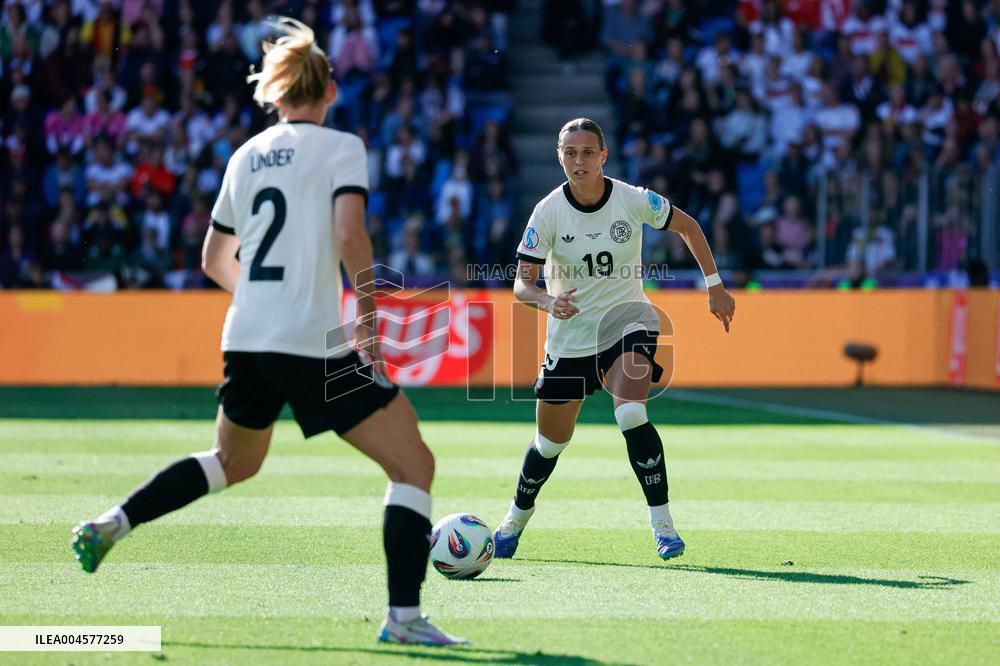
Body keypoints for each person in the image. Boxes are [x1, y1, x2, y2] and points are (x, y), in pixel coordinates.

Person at [70, 18, 465, 647]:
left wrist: (262, 297)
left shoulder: (244, 154)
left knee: (233, 461)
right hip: (309, 338)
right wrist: (365, 313)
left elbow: (211, 260)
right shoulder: (342, 147)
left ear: (277, 93)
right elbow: (348, 235)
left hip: (246, 334)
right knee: (413, 463)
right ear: (329, 90)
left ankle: (113, 522)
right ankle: (405, 619)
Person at [492, 118, 735, 561]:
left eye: (588, 152)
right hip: (570, 339)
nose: (579, 161)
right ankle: (513, 521)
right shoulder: (547, 212)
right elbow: (521, 285)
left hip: (629, 323)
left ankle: (664, 527)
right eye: (570, 153)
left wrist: (714, 284)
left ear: (603, 156)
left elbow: (689, 227)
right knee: (549, 444)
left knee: (631, 414)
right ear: (559, 156)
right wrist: (548, 303)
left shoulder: (633, 199)